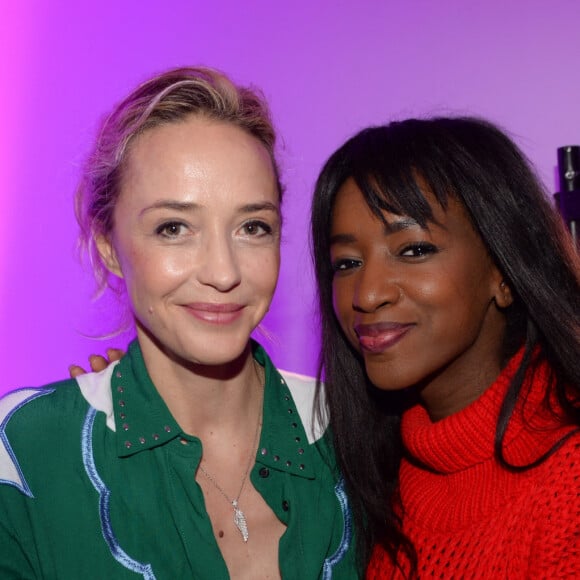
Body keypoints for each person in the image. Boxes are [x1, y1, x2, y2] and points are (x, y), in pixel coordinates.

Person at [0, 67, 357, 579]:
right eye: (174, 228)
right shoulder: (26, 450)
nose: (223, 272)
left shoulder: (355, 436)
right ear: (110, 248)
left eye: (253, 227)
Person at [310, 117, 580, 578]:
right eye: (348, 262)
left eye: (413, 250)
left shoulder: (568, 485)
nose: (368, 294)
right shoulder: (368, 481)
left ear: (502, 272)